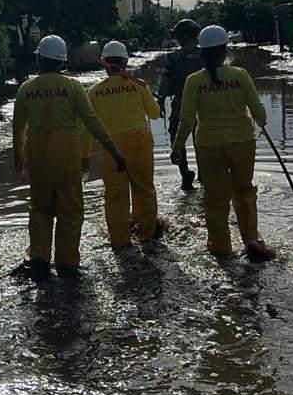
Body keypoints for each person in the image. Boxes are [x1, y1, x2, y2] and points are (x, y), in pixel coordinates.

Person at [12, 34, 126, 279]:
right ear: (62, 62)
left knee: (40, 209)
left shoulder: (26, 89)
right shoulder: (73, 87)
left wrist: (18, 154)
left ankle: (40, 260)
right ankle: (67, 264)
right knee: (70, 212)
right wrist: (113, 150)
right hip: (66, 155)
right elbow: (91, 121)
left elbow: (18, 126)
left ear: (39, 59)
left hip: (38, 155)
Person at [170, 24, 275, 260]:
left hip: (208, 145)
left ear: (202, 52)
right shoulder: (240, 75)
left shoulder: (193, 81)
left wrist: (177, 148)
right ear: (225, 50)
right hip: (242, 142)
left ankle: (220, 248)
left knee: (215, 199)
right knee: (244, 191)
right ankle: (251, 240)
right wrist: (260, 120)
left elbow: (186, 120)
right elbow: (259, 112)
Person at [83, 40, 164, 249]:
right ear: (125, 62)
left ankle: (120, 242)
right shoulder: (139, 85)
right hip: (140, 143)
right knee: (144, 190)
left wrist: (85, 156)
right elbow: (155, 115)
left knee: (116, 196)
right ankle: (147, 235)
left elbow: (88, 127)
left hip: (112, 148)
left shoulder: (94, 91)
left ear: (104, 63)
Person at [157, 18, 204, 189]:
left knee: (177, 139)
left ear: (183, 36)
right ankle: (204, 174)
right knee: (203, 139)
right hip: (205, 104)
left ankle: (185, 173)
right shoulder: (208, 53)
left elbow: (165, 81)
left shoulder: (174, 57)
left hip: (181, 103)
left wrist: (160, 100)